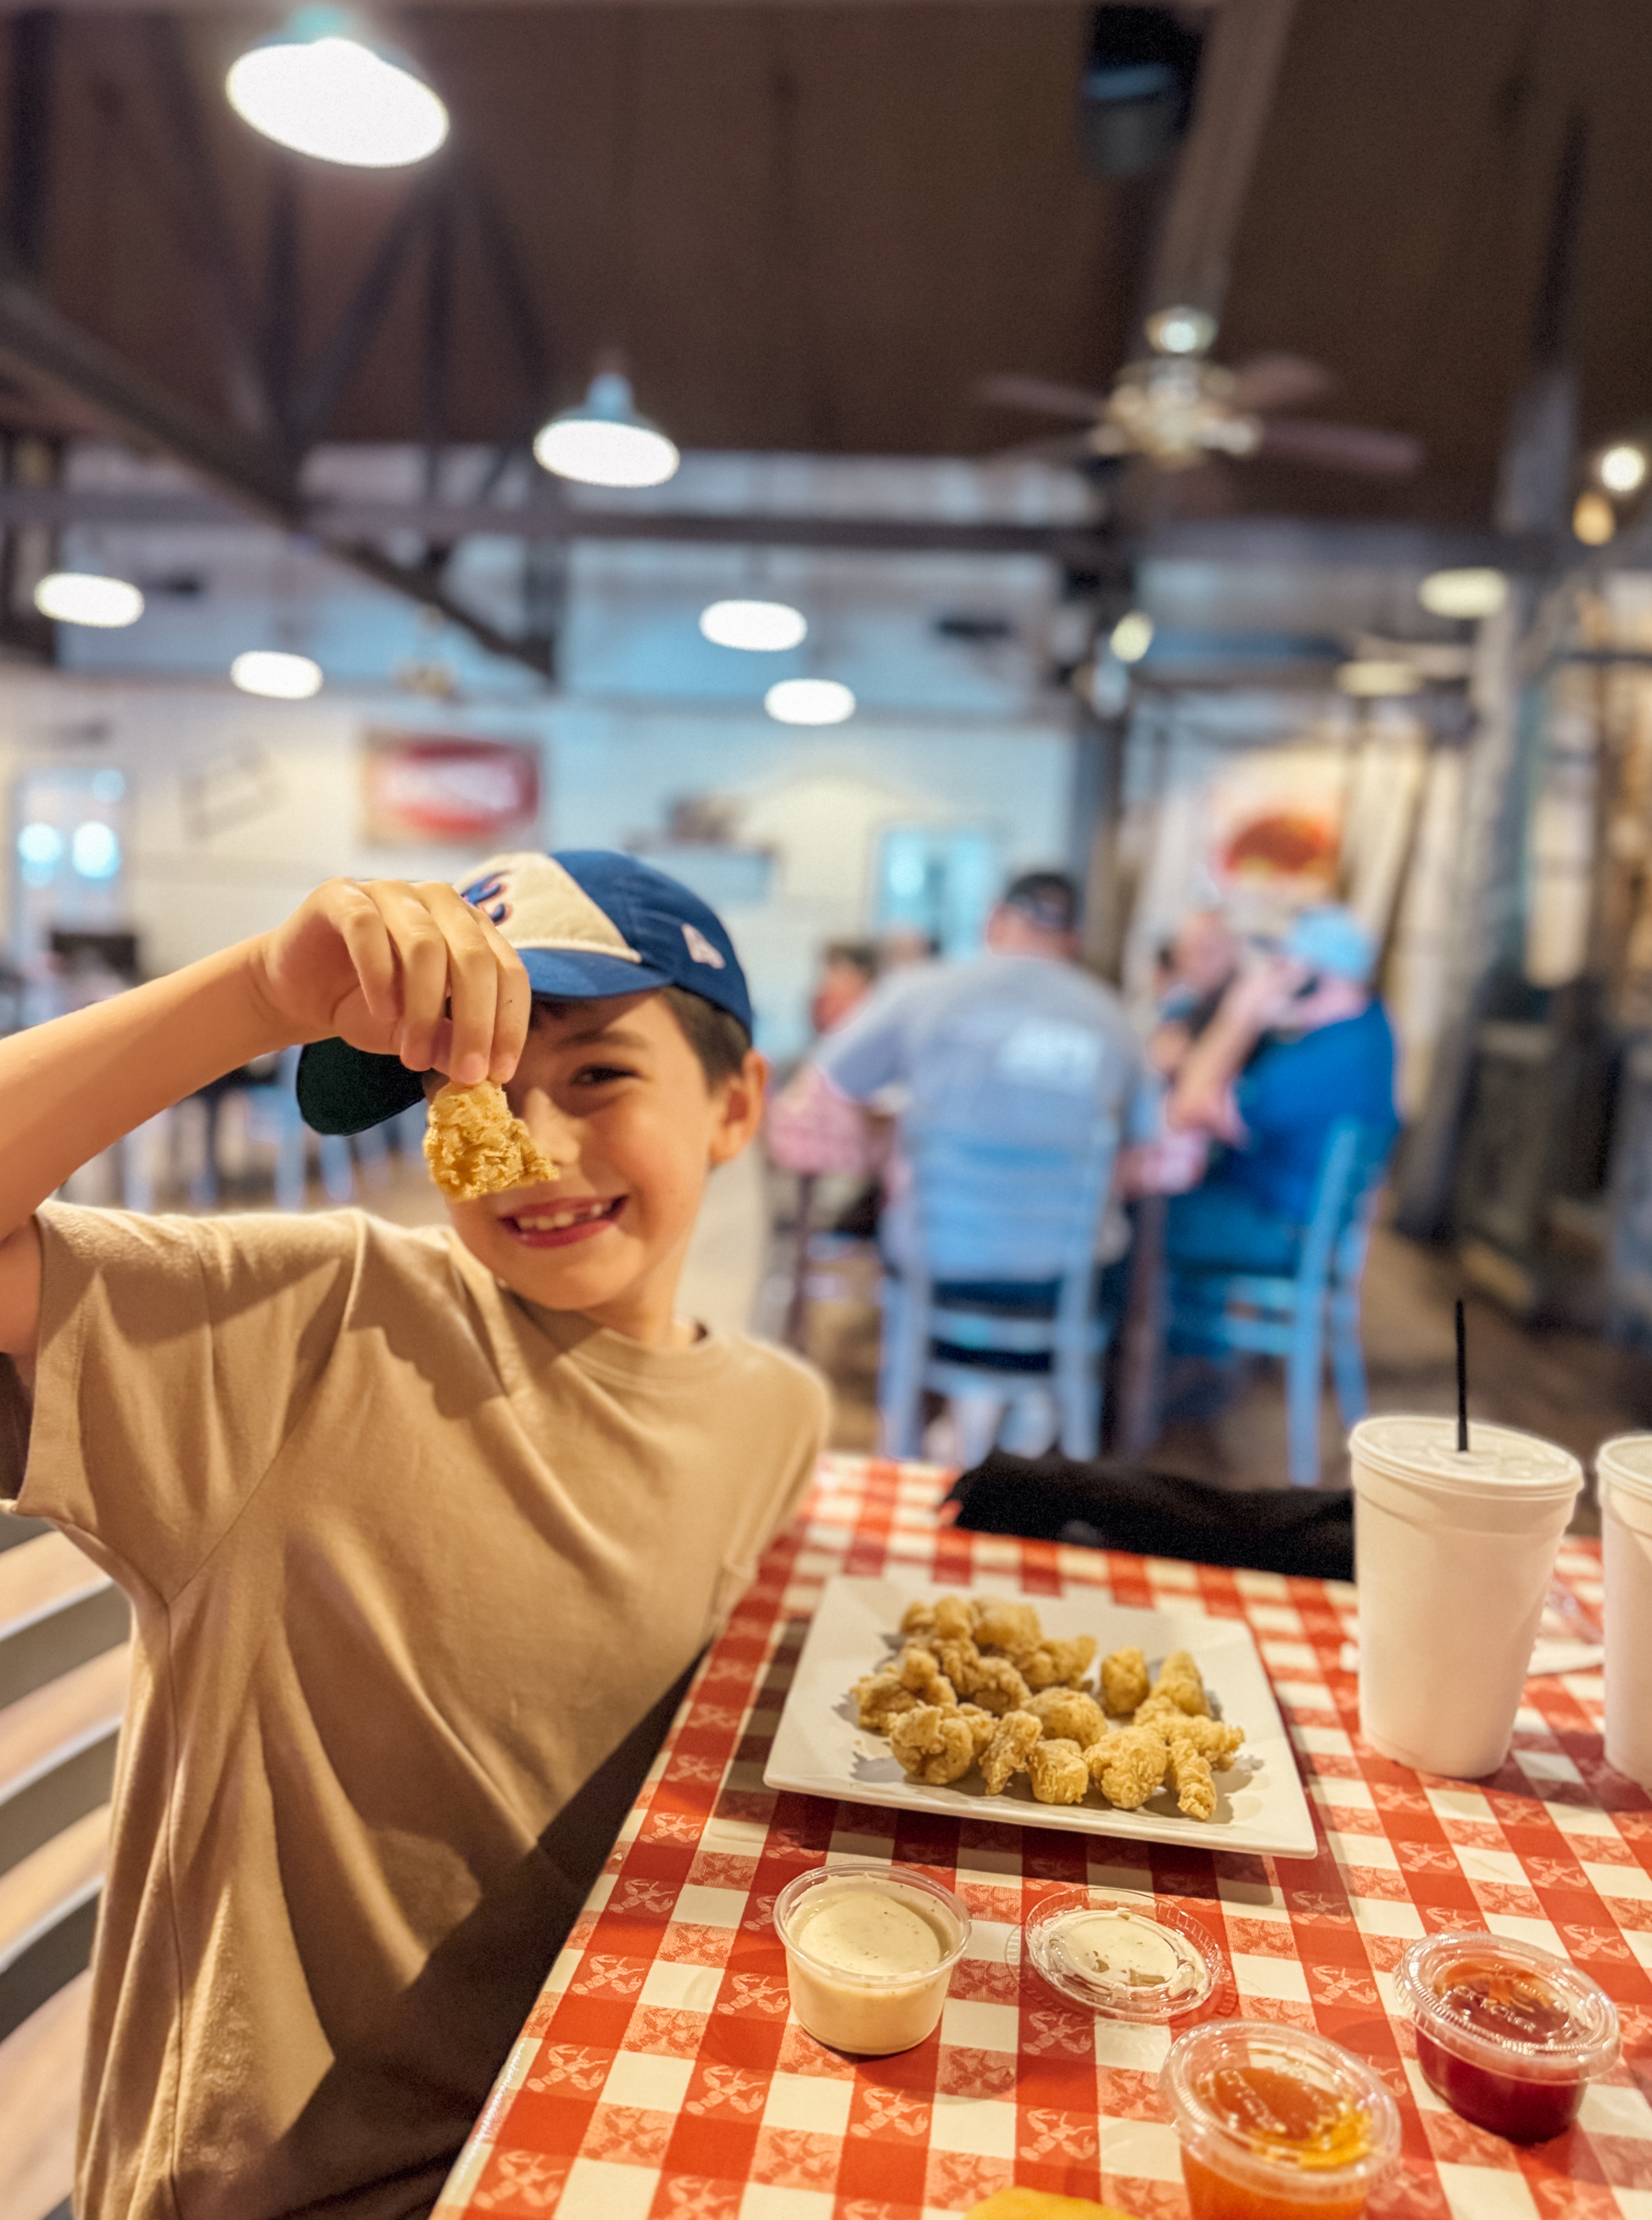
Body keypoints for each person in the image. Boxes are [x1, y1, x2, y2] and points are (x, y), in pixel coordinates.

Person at [0, 851, 828, 2220]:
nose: (534, 1148)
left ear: (737, 1102)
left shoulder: (777, 1414)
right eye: (473, 1091)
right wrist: (257, 994)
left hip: (622, 2118)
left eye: (598, 1075)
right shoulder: (309, 1329)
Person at [806, 869, 1146, 1456]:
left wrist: (883, 1147)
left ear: (993, 920)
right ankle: (1026, 1419)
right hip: (1061, 1277)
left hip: (938, 1264)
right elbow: (1151, 1148)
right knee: (1119, 1250)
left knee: (895, 1229)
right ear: (1075, 937)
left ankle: (938, 1437)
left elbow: (829, 1082)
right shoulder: (1117, 1019)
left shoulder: (923, 990)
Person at [1161, 901, 1400, 1269]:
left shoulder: (1323, 1062)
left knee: (1141, 1211)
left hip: (1278, 1226)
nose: (1271, 979)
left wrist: (1240, 1013)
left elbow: (1189, 1107)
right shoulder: (1368, 1029)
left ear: (1312, 980)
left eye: (1280, 969)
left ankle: (1135, 1325)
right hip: (1295, 1215)